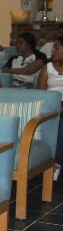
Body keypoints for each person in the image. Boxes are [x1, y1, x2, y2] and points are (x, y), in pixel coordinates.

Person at [36, 35, 63, 180]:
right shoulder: (47, 68)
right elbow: (41, 94)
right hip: (52, 103)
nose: (52, 51)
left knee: (60, 123)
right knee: (52, 120)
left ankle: (57, 163)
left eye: (56, 47)